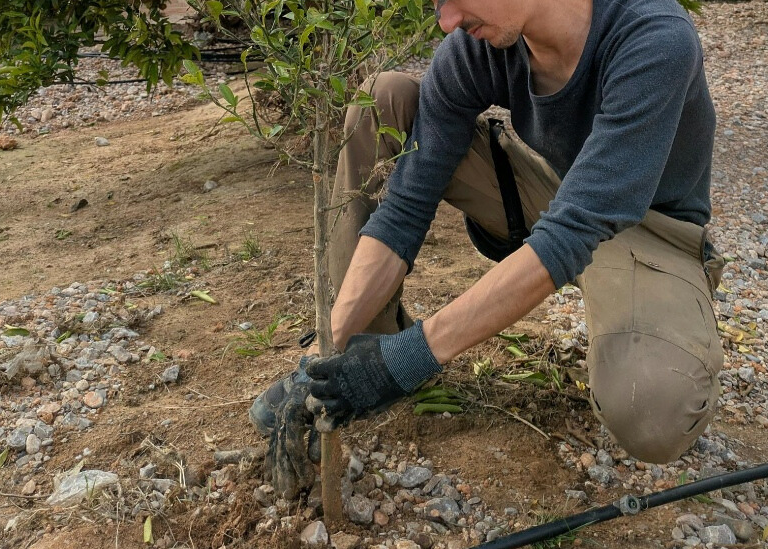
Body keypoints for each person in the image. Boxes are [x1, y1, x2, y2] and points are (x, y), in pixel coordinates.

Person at [251, 0, 726, 495]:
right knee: (385, 98)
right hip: (548, 188)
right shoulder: (478, 48)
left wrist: (407, 361)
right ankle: (358, 352)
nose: (447, 21)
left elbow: (572, 233)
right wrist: (322, 361)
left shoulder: (654, 37)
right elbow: (405, 209)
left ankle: (677, 331)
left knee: (651, 409)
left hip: (648, 230)